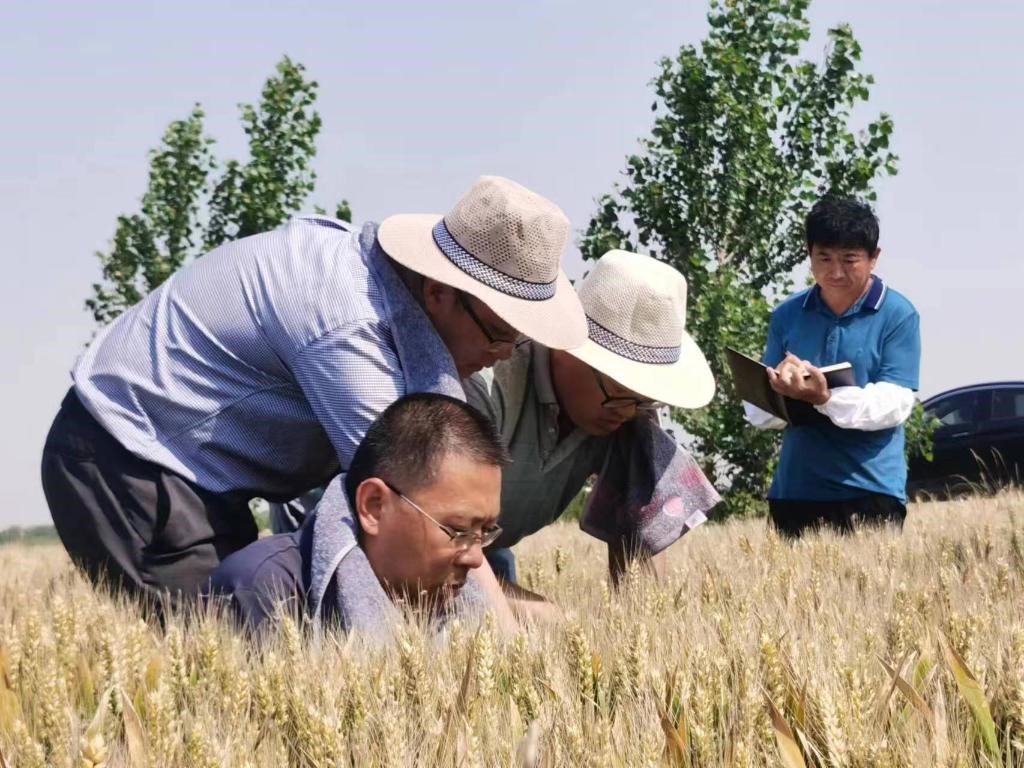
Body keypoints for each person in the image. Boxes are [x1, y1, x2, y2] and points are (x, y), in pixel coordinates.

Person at [41, 176, 586, 599]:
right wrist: (509, 624)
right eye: (497, 333)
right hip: (130, 457)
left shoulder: (392, 297)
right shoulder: (351, 330)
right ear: (440, 293)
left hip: (197, 477)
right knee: (214, 653)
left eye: (519, 340)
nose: (502, 354)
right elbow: (418, 504)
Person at [464, 249, 721, 592]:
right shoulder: (490, 384)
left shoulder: (630, 414)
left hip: (490, 550)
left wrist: (643, 617)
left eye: (643, 399)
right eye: (619, 392)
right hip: (440, 551)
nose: (627, 412)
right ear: (566, 350)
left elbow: (640, 548)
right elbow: (433, 546)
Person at [208, 393, 510, 637]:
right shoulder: (260, 593)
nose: (476, 559)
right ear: (374, 506)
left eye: (485, 531)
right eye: (458, 529)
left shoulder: (466, 618)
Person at [744, 196, 921, 537]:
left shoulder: (898, 314)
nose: (836, 272)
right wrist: (778, 390)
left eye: (849, 259)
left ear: (874, 257)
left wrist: (824, 398)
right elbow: (758, 411)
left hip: (870, 489)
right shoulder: (786, 315)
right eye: (824, 258)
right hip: (795, 489)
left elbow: (895, 404)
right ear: (808, 254)